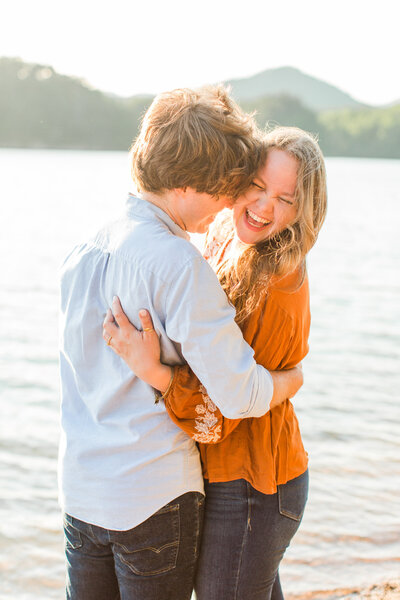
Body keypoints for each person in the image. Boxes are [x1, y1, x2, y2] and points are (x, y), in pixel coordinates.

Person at [59, 87, 303, 600]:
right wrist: (288, 380)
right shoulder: (179, 264)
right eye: (227, 190)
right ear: (195, 185)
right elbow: (239, 394)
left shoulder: (84, 247)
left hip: (81, 490)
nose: (225, 207)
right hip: (152, 495)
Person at [102, 126, 328, 600]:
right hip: (229, 477)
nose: (266, 208)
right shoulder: (225, 235)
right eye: (258, 187)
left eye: (286, 200)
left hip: (252, 482)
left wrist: (155, 372)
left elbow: (229, 408)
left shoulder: (278, 281)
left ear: (304, 209)